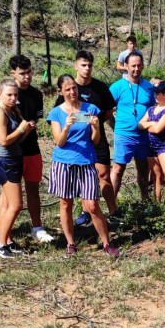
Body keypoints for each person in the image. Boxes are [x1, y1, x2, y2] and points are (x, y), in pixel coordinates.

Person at [47, 74, 119, 257]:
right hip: (64, 163)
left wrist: (95, 127)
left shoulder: (90, 109)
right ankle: (71, 244)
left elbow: (95, 141)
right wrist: (66, 127)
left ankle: (106, 243)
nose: (72, 92)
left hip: (86, 162)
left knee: (92, 205)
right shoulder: (56, 113)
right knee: (66, 204)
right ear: (60, 92)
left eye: (74, 88)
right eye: (68, 89)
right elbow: (59, 142)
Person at [61, 50, 117, 225]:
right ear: (76, 66)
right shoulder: (69, 88)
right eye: (83, 65)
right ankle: (86, 211)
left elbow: (107, 113)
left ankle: (113, 212)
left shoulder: (100, 88)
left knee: (104, 175)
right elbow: (61, 114)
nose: (87, 69)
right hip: (77, 142)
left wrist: (99, 125)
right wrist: (86, 119)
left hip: (97, 137)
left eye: (90, 65)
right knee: (82, 178)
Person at [7, 55, 53, 243]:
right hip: (12, 151)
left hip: (32, 148)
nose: (27, 77)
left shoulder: (36, 95)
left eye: (29, 72)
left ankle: (37, 227)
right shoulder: (7, 94)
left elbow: (36, 119)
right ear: (13, 73)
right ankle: (4, 232)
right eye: (22, 73)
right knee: (9, 194)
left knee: (33, 188)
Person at [0, 80, 36, 258]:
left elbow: (16, 142)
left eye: (15, 95)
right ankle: (1, 245)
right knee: (16, 205)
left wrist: (26, 131)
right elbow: (3, 141)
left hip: (13, 159)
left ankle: (5, 240)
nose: (13, 98)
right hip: (6, 161)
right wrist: (21, 129)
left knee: (7, 203)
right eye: (9, 94)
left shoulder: (12, 111)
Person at [109, 51, 155, 204]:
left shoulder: (149, 88)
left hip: (143, 136)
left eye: (138, 65)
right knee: (118, 168)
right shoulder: (117, 87)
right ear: (126, 67)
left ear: (143, 66)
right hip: (123, 134)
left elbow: (155, 110)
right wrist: (115, 126)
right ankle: (111, 204)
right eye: (133, 65)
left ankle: (144, 199)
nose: (136, 69)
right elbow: (106, 110)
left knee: (143, 167)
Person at [139, 81, 165, 206]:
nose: (155, 95)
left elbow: (158, 130)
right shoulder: (151, 109)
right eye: (154, 93)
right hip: (151, 146)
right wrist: (151, 124)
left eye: (158, 93)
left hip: (164, 145)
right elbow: (140, 124)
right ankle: (157, 202)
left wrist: (150, 126)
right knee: (156, 175)